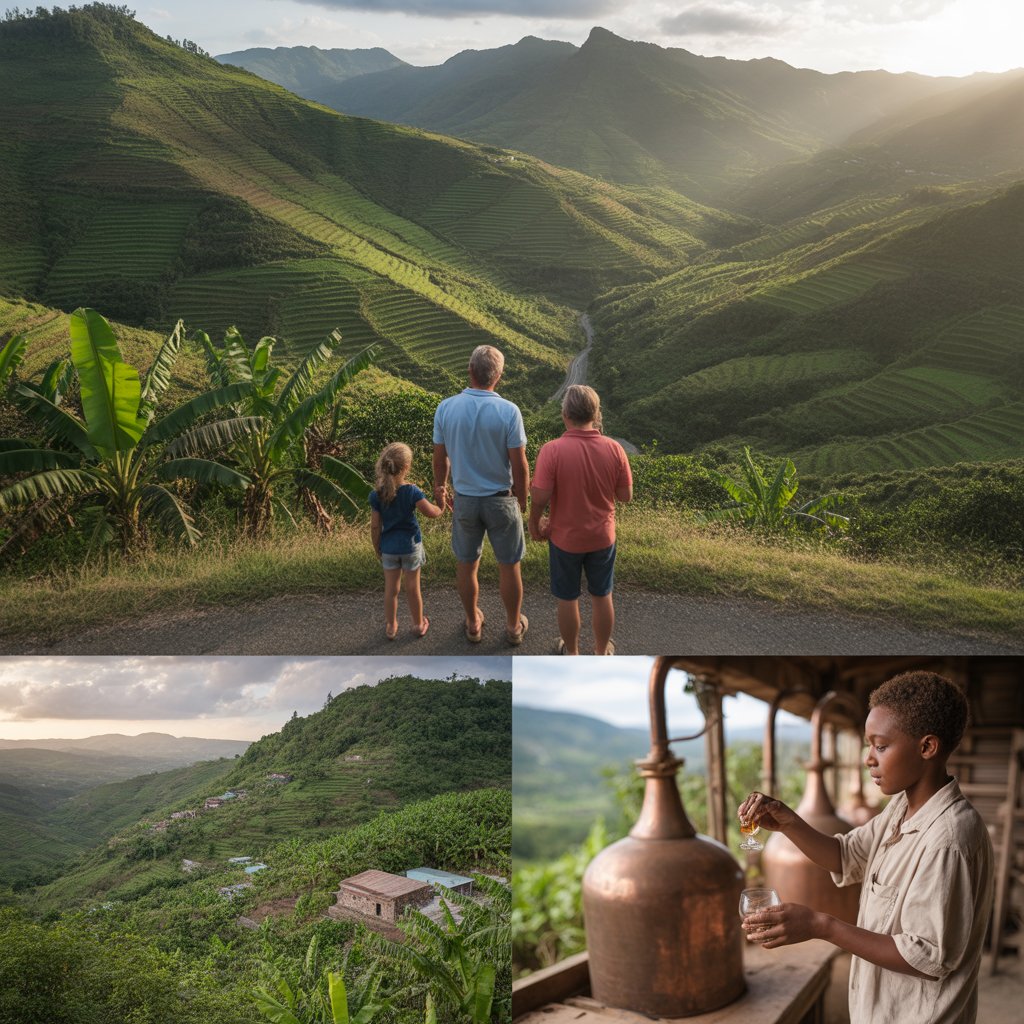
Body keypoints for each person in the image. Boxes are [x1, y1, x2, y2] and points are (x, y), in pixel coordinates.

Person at [739, 672, 993, 1024]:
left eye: (881, 746)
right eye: (868, 745)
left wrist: (820, 925)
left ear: (927, 747)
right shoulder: (901, 809)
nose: (868, 759)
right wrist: (788, 823)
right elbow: (845, 856)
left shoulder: (949, 838)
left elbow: (927, 957)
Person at [432, 345, 530, 645]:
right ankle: (513, 626)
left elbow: (440, 457)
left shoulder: (446, 408)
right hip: (501, 499)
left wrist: (440, 486)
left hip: (465, 500)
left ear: (470, 370)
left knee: (466, 564)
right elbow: (519, 463)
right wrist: (522, 498)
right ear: (498, 376)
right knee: (509, 565)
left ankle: (473, 622)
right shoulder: (509, 411)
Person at [528, 385, 632, 655]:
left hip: (565, 539)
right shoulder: (615, 449)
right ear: (596, 415)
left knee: (567, 597)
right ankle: (601, 651)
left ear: (565, 414)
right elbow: (625, 496)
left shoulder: (552, 450)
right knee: (602, 595)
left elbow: (539, 497)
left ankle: (572, 652)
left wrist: (534, 523)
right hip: (602, 537)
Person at [369, 442, 443, 640]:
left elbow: (375, 526)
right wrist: (441, 506)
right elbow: (431, 512)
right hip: (410, 547)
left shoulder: (377, 494)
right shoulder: (412, 492)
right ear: (406, 467)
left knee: (391, 590)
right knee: (412, 587)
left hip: (389, 548)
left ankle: (391, 626)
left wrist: (377, 547)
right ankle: (418, 624)